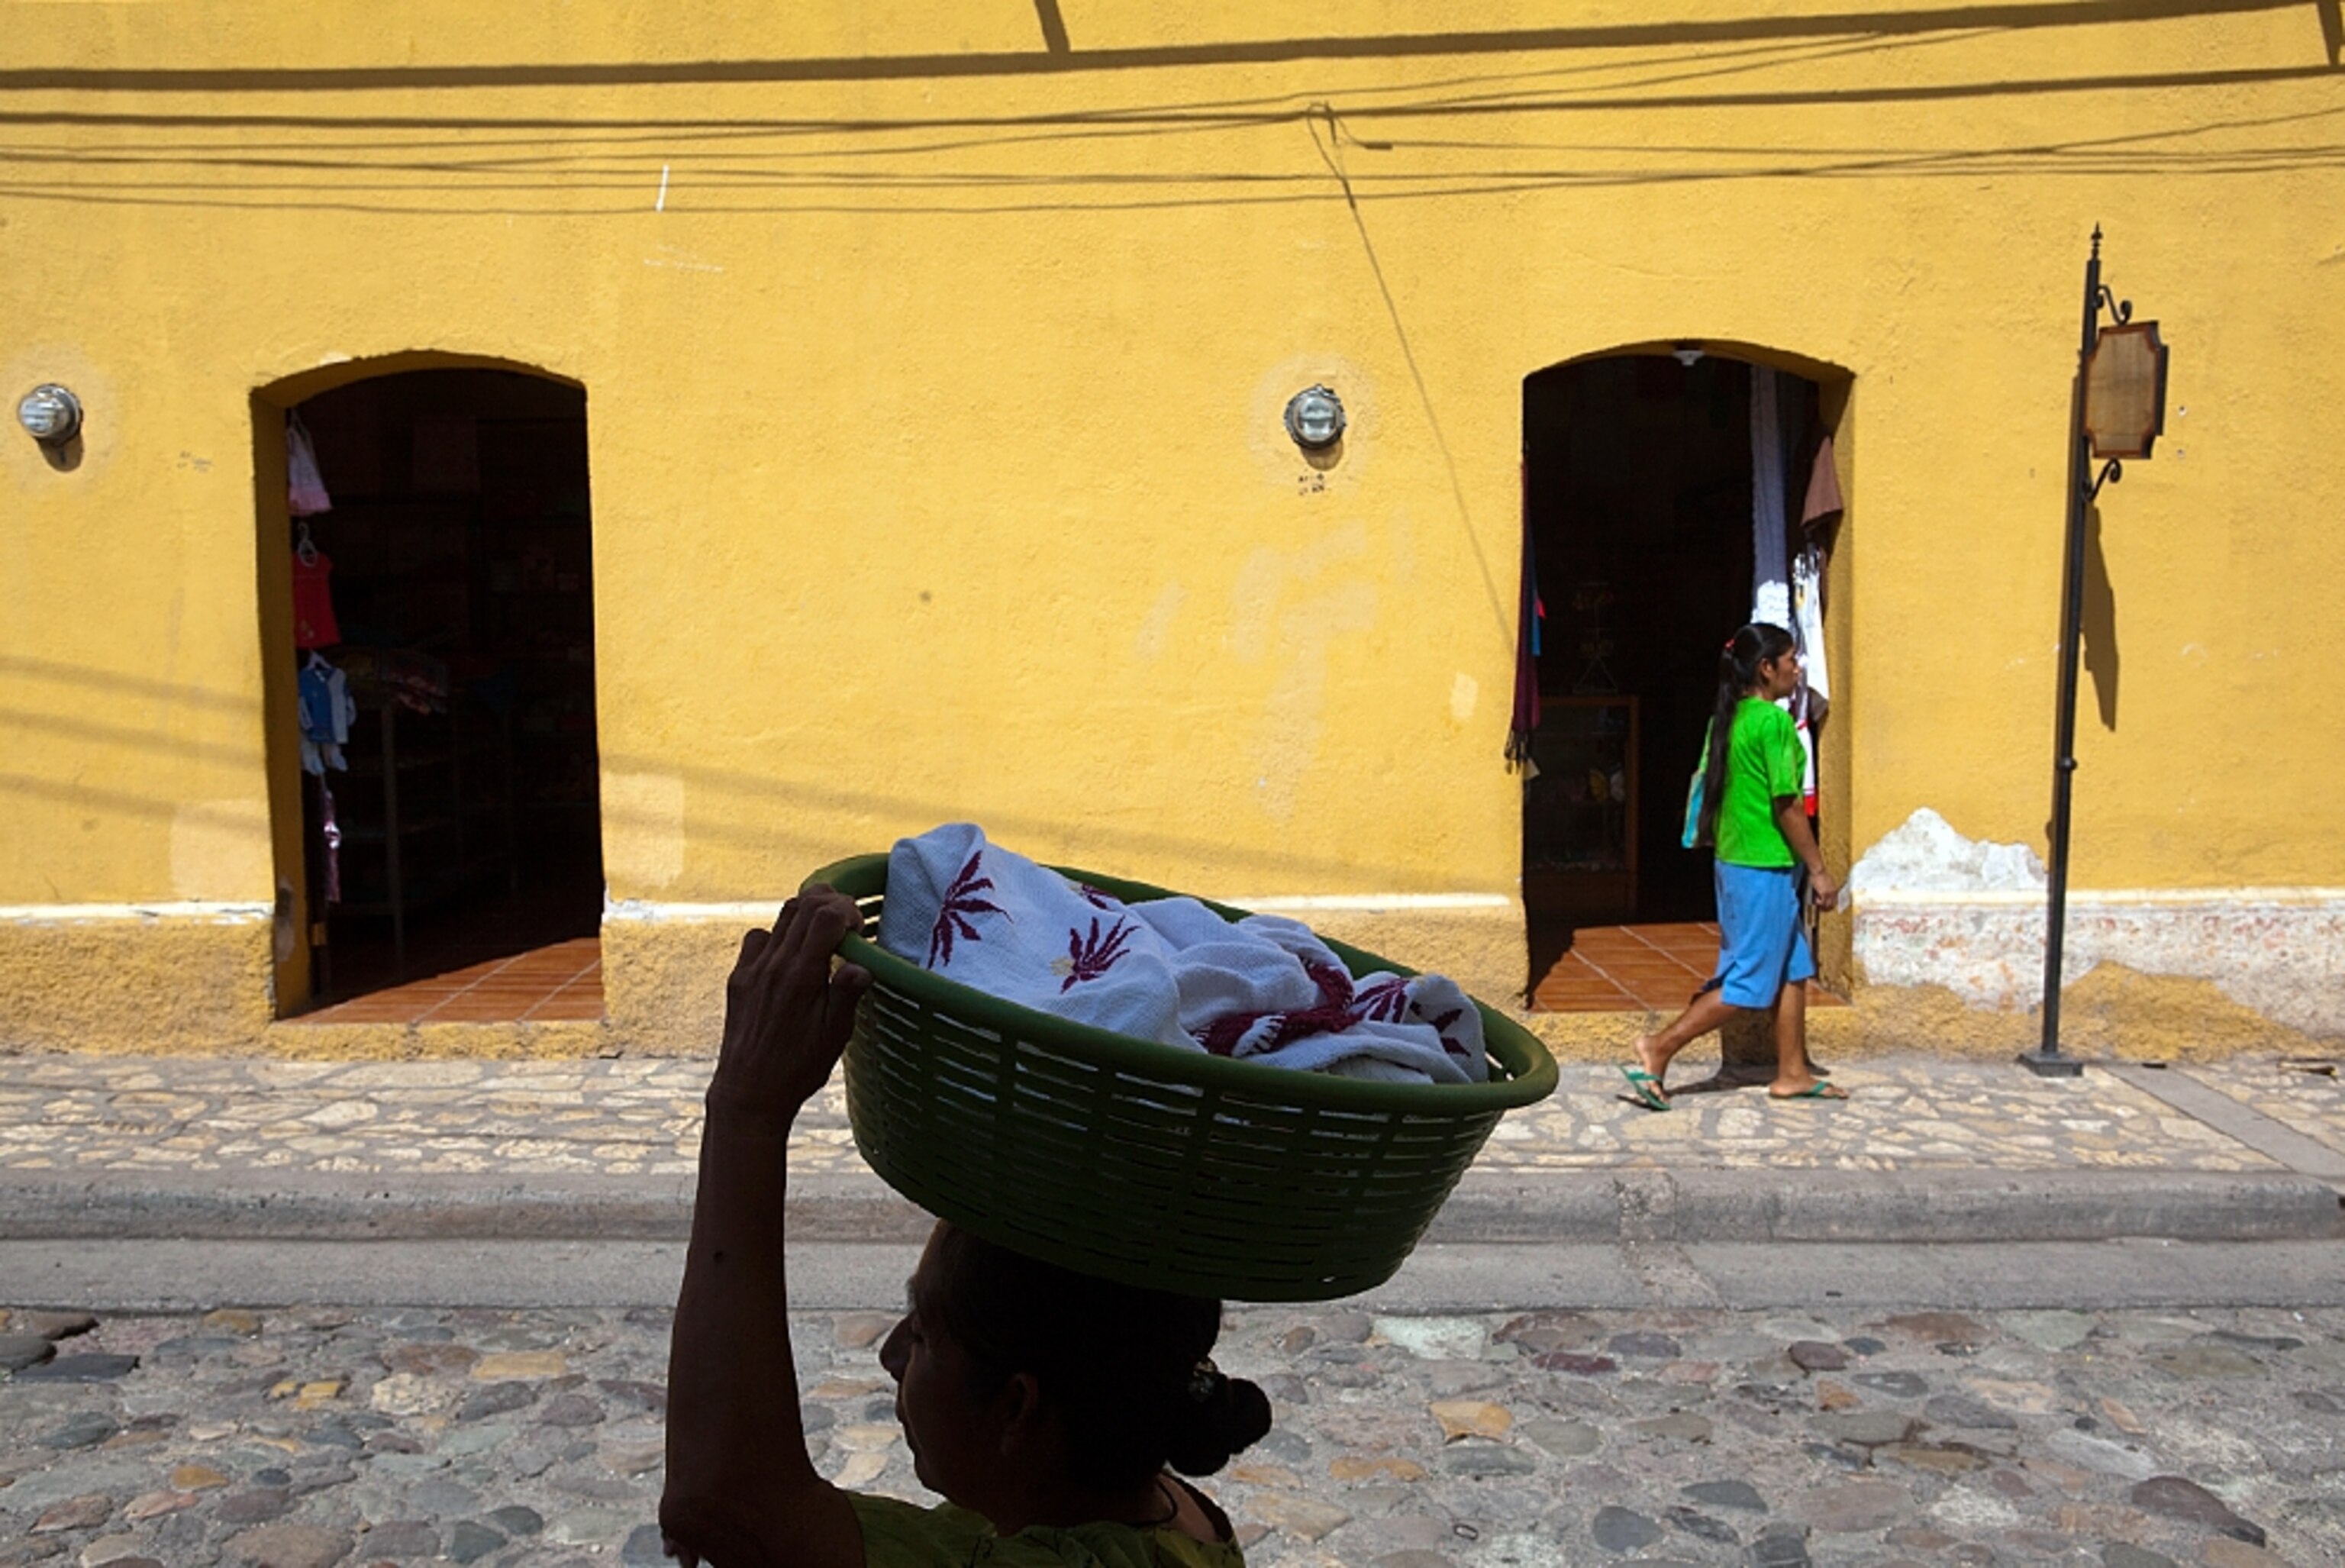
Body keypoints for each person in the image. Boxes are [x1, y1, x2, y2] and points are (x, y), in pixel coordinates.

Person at [660, 889, 1272, 1567]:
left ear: (1015, 1408)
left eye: (922, 1334)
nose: (890, 1356)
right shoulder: (1175, 1516)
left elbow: (720, 1501)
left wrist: (745, 1109)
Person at [1621, 624, 1846, 1109]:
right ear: (1767, 668)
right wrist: (1820, 869)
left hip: (1736, 863)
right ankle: (1658, 1049)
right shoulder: (1773, 723)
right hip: (1762, 866)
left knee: (1793, 970)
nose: (1797, 667)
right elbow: (1787, 804)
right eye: (1790, 659)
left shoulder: (1729, 719)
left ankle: (1792, 1072)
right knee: (1748, 985)